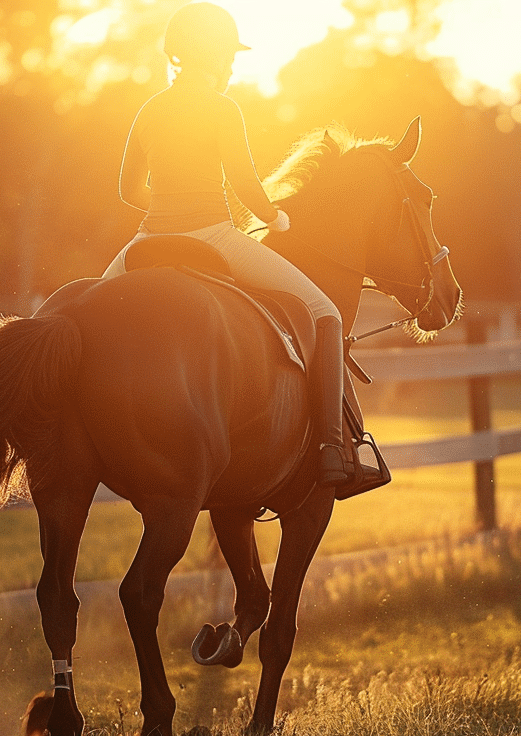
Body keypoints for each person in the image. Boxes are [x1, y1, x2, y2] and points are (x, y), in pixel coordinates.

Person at [100, 2, 352, 486]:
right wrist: (276, 218)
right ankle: (331, 448)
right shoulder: (222, 107)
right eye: (230, 55)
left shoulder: (150, 109)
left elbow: (128, 190)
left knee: (87, 315)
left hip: (147, 240)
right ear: (214, 54)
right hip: (213, 236)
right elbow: (244, 182)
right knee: (326, 312)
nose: (233, 66)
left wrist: (168, 206)